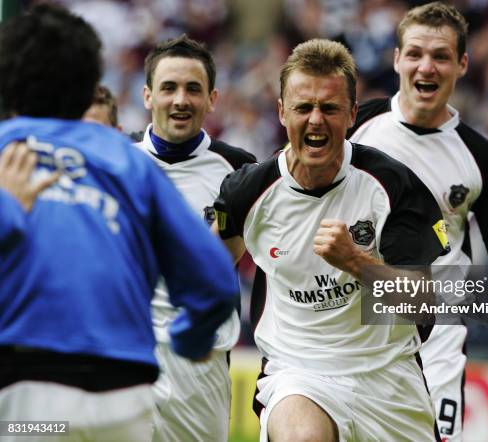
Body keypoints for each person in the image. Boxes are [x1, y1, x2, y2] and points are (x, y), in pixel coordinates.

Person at [0, 4, 239, 441]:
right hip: (123, 395)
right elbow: (216, 284)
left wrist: (12, 212)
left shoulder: (6, 152)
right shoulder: (127, 163)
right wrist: (190, 339)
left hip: (32, 393)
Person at [347, 3, 488, 441]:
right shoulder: (352, 126)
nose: (426, 66)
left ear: (462, 65)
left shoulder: (482, 159)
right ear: (397, 59)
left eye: (440, 56)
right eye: (415, 53)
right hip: (352, 331)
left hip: (436, 339)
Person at [214, 38, 449, 442]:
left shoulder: (391, 185)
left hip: (387, 375)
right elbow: (207, 270)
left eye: (330, 107)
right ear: (282, 111)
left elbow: (424, 302)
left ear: (352, 113)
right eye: (304, 107)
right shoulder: (248, 192)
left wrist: (358, 263)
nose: (316, 120)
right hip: (298, 372)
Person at [134, 34, 256, 442]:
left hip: (200, 363)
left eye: (193, 89)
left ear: (213, 98)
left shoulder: (240, 171)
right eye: (168, 87)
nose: (180, 100)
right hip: (126, 350)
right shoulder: (115, 160)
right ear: (148, 95)